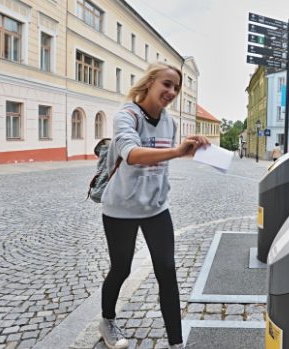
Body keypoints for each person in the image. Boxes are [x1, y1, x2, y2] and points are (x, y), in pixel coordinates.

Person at [99, 62, 209, 349]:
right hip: (120, 208)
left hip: (157, 209)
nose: (172, 91)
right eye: (167, 84)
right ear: (149, 83)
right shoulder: (127, 115)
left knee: (167, 270)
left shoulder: (170, 122)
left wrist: (185, 149)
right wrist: (175, 151)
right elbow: (132, 154)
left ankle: (176, 342)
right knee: (121, 268)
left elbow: (163, 163)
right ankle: (107, 320)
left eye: (176, 87)